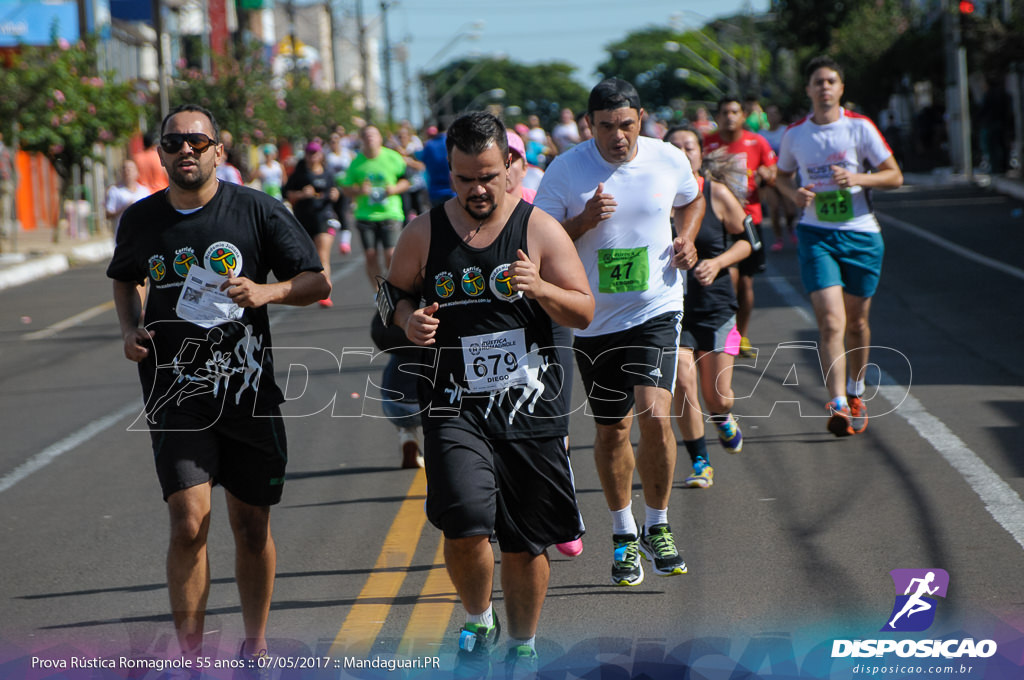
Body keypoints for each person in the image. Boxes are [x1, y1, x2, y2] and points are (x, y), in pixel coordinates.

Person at [106, 103, 330, 664]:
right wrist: (130, 328)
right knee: (188, 522)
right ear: (160, 152)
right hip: (175, 393)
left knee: (251, 526)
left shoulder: (256, 211)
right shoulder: (140, 219)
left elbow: (314, 278)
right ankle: (192, 658)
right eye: (175, 141)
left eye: (197, 142)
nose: (187, 149)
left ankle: (254, 647)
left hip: (247, 393)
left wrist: (267, 292)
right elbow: (125, 280)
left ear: (218, 151)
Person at [384, 111, 593, 678]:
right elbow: (389, 298)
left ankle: (523, 642)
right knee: (466, 520)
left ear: (509, 169)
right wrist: (406, 322)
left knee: (525, 542)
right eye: (463, 177)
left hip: (530, 406)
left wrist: (541, 286)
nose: (477, 189)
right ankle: (478, 618)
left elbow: (583, 308)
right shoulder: (424, 232)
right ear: (448, 172)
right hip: (454, 405)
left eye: (487, 175)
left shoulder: (538, 230)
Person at [535, 78, 704, 586]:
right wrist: (583, 221)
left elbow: (693, 199)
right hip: (592, 320)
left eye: (626, 125)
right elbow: (538, 239)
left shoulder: (667, 157)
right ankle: (624, 533)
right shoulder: (566, 171)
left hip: (656, 306)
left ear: (641, 119)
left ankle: (658, 524)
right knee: (612, 430)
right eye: (606, 126)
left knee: (655, 413)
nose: (618, 137)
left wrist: (687, 238)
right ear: (589, 125)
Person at [776, 55, 903, 436]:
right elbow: (780, 177)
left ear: (841, 88)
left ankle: (856, 389)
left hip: (862, 234)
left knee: (858, 322)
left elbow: (894, 176)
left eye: (831, 81)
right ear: (808, 90)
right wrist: (792, 193)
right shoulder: (795, 134)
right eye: (818, 82)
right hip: (817, 235)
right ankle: (837, 402)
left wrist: (858, 178)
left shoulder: (860, 128)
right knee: (831, 320)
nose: (824, 87)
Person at [665, 125, 752, 488]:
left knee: (718, 396)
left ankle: (722, 416)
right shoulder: (654, 198)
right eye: (676, 148)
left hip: (718, 307)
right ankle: (700, 461)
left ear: (701, 154)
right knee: (683, 380)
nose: (684, 153)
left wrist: (718, 263)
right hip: (673, 309)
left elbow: (748, 243)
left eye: (690, 147)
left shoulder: (717, 194)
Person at [704, 96, 777, 359]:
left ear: (743, 115)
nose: (730, 117)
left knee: (745, 283)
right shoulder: (708, 143)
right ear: (717, 116)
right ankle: (722, 332)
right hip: (716, 220)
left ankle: (740, 334)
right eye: (724, 112)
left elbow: (772, 169)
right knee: (727, 279)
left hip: (749, 220)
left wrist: (768, 175)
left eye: (735, 111)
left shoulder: (756, 142)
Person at [341, 125, 410, 290]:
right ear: (362, 140)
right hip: (365, 215)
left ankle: (395, 289)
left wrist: (394, 189)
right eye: (366, 135)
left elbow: (407, 181)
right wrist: (359, 190)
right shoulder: (356, 163)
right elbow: (346, 189)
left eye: (373, 134)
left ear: (380, 138)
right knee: (370, 256)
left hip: (390, 213)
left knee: (391, 255)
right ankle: (378, 292)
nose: (370, 137)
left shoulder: (393, 157)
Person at [284, 140, 341, 306]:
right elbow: (288, 194)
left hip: (324, 217)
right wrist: (302, 194)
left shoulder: (328, 173)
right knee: (308, 258)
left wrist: (335, 194)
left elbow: (338, 194)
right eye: (309, 152)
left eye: (315, 152)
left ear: (321, 154)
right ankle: (309, 288)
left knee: (323, 255)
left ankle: (325, 291)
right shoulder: (299, 174)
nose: (312, 156)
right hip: (304, 219)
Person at [758, 104, 798, 251]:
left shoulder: (786, 131)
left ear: (780, 116)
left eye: (774, 113)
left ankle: (790, 228)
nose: (771, 117)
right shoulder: (761, 134)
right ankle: (778, 238)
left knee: (790, 210)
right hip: (769, 178)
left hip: (784, 176)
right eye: (768, 114)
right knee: (774, 209)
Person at [105, 159, 152, 232]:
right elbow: (108, 215)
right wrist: (125, 208)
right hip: (123, 235)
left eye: (130, 169)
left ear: (137, 172)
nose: (128, 172)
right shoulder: (115, 191)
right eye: (124, 169)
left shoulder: (144, 191)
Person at [420, 118, 455, 207]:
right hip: (453, 190)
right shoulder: (453, 143)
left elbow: (423, 162)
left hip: (435, 191)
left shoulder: (429, 145)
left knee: (439, 220)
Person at [1, 131, 16, 238]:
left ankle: (4, 230)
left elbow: (14, 167)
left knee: (5, 207)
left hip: (5, 182)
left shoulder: (7, 150)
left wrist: (14, 182)